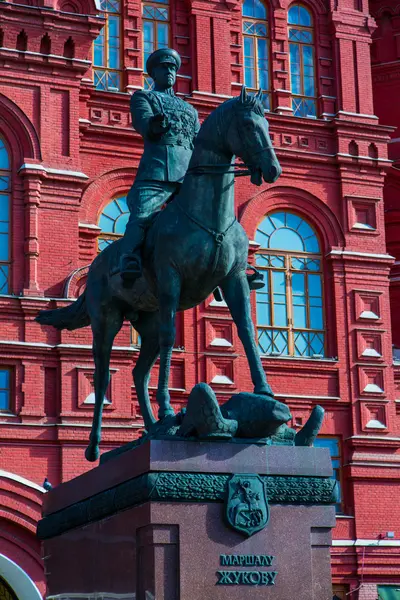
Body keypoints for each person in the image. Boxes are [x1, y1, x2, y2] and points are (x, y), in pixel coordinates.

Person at [118, 47, 200, 284]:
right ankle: (129, 257)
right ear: (154, 73)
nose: (170, 72)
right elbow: (143, 124)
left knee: (213, 214)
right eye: (165, 68)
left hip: (188, 176)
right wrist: (155, 125)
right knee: (143, 214)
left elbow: (199, 141)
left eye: (173, 68)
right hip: (158, 170)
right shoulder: (144, 97)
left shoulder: (189, 110)